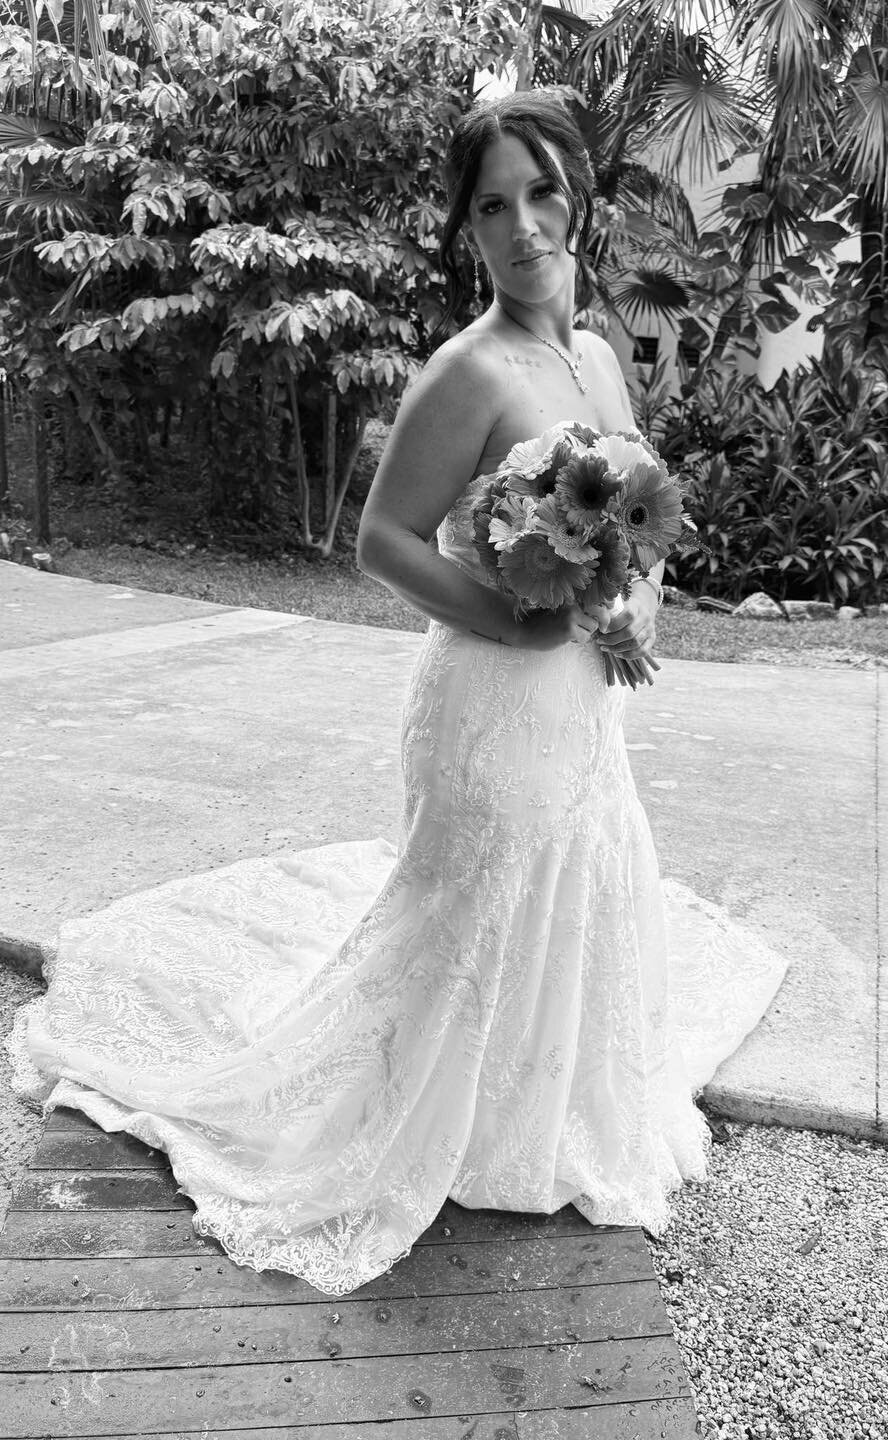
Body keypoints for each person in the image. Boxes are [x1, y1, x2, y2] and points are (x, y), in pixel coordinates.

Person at [6, 91, 789, 1299]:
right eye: (492, 207)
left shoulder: (594, 354)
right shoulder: (465, 372)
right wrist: (520, 619)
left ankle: (524, 1112)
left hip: (584, 702)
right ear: (465, 230)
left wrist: (639, 599)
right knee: (469, 911)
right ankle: (414, 1121)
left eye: (539, 193)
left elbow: (637, 511)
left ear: (575, 195)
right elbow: (383, 540)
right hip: (489, 699)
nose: (522, 227)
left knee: (572, 883)